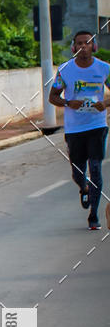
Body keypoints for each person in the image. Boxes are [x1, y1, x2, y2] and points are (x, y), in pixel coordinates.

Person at [49, 30, 110, 230]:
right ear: (74, 48)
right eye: (80, 43)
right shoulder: (65, 70)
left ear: (94, 46)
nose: (84, 46)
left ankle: (94, 216)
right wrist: (68, 102)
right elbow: (53, 96)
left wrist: (105, 103)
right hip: (74, 128)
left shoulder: (104, 68)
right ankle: (83, 187)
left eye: (88, 43)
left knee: (95, 168)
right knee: (78, 171)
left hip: (97, 125)